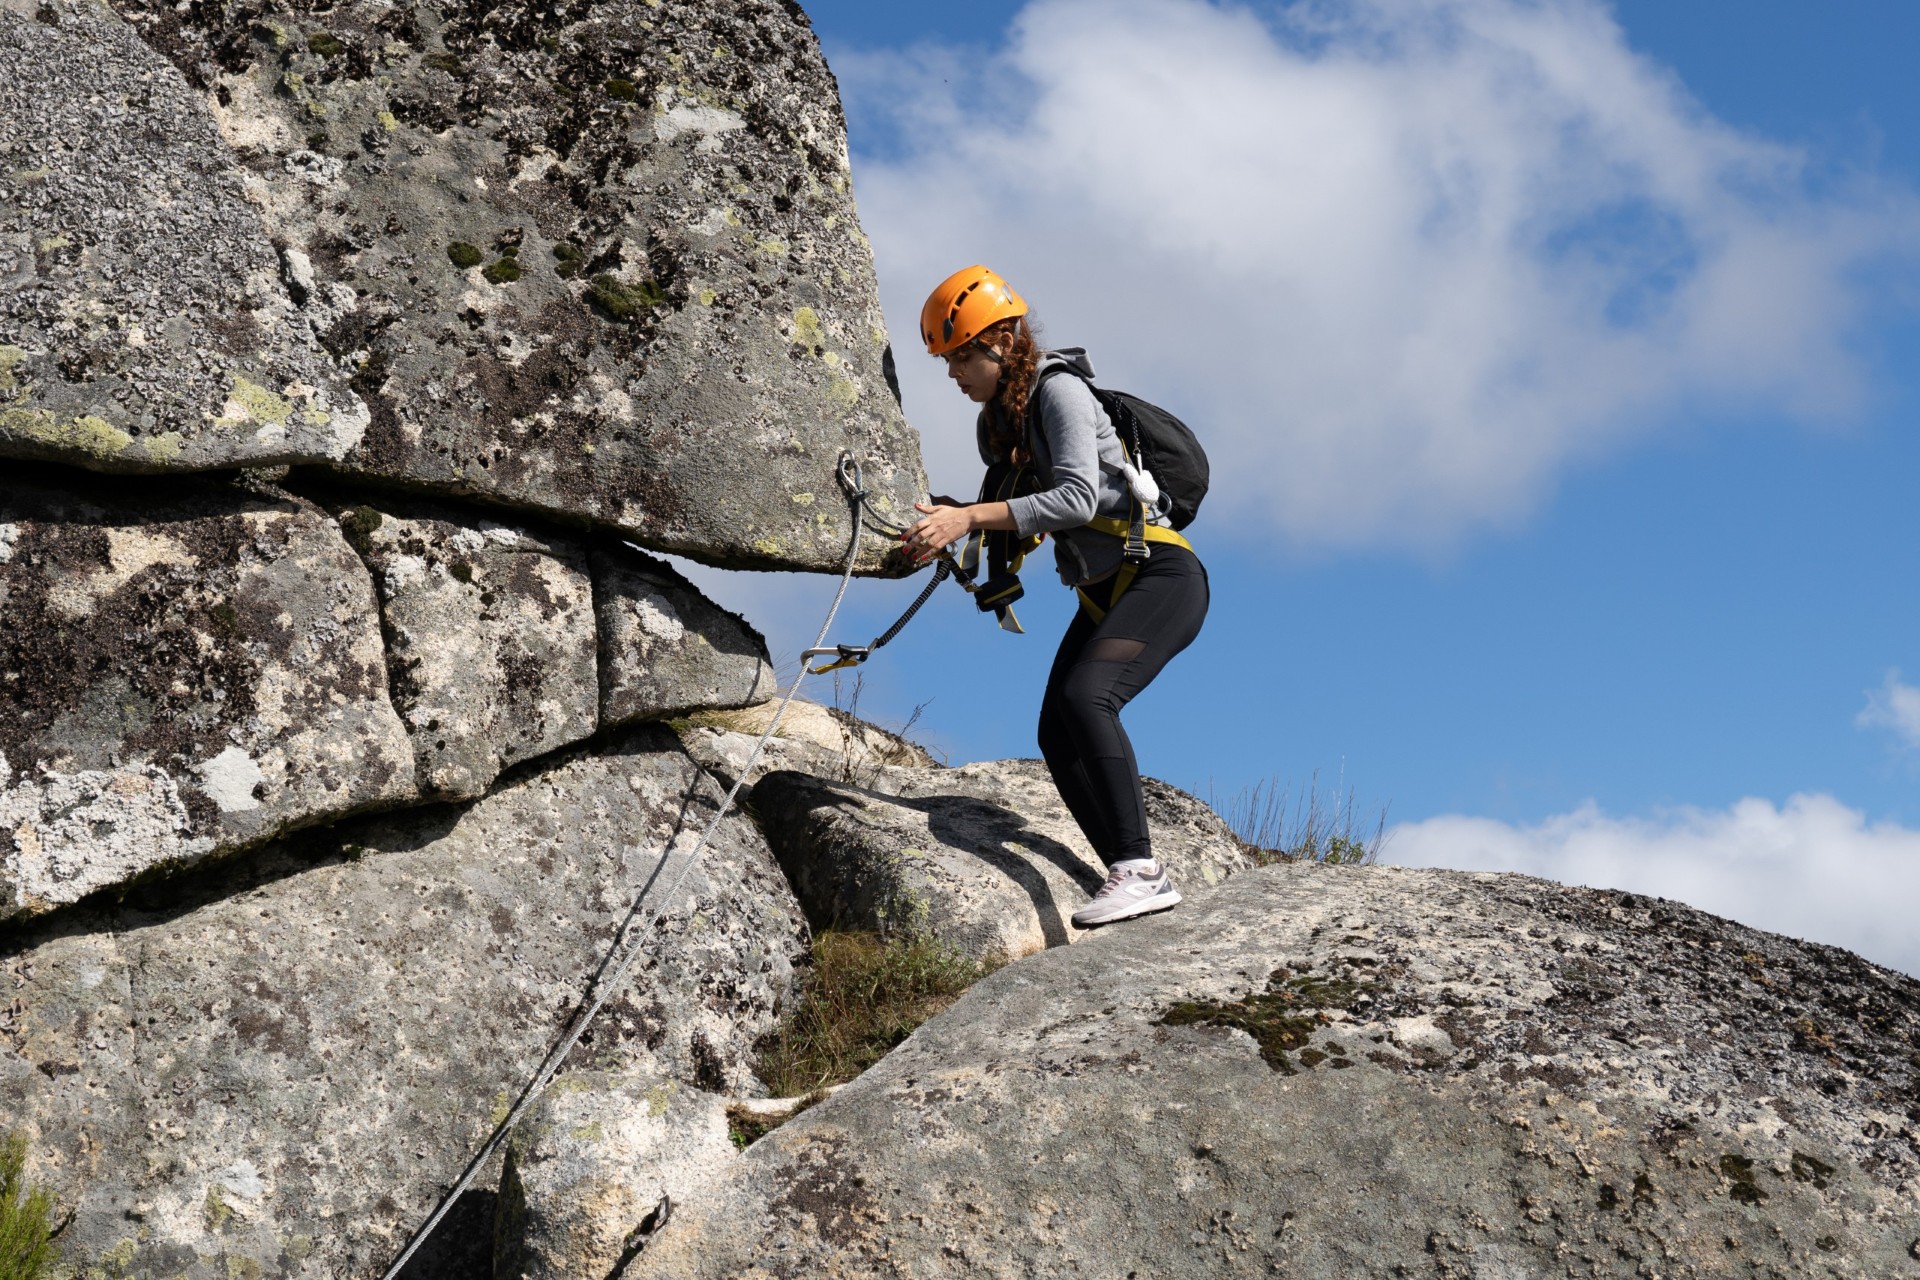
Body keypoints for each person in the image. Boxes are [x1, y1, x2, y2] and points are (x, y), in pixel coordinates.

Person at [903, 265, 1209, 927]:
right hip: (1109, 593)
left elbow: (1075, 498)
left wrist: (968, 520)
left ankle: (1139, 868)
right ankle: (1128, 873)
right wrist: (956, 512)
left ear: (1001, 343)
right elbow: (1019, 506)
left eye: (959, 358)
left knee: (1086, 698)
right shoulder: (1008, 420)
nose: (953, 374)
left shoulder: (1058, 392)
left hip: (1161, 577)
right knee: (1055, 730)